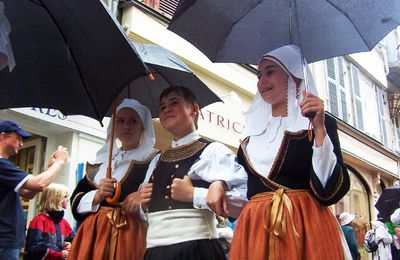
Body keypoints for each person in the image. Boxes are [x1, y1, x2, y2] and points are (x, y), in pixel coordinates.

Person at [228, 45, 350, 260]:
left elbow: (329, 192)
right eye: (258, 74)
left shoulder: (316, 124)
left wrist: (319, 129)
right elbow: (238, 195)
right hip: (256, 233)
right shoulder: (250, 138)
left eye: (270, 71)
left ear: (293, 77)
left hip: (306, 229)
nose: (262, 80)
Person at [140, 86, 247, 260]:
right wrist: (143, 205)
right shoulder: (156, 160)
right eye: (162, 106)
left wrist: (194, 195)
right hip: (155, 253)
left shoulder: (214, 151)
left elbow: (244, 202)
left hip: (197, 250)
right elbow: (146, 215)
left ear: (195, 109)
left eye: (174, 102)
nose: (166, 109)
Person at [68, 99, 157, 260]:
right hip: (92, 235)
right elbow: (75, 202)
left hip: (129, 235)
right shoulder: (102, 163)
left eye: (133, 121)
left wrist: (141, 199)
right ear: (114, 126)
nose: (126, 126)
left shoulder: (151, 162)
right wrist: (97, 195)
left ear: (143, 127)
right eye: (121, 121)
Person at [0, 120, 69, 260]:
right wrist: (59, 162)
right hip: (4, 241)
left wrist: (50, 169)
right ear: (3, 136)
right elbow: (39, 185)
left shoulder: (5, 166)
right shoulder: (1, 164)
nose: (21, 144)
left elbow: (28, 193)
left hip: (8, 241)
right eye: (18, 138)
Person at [25, 183, 74, 259]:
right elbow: (33, 248)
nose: (68, 199)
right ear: (54, 199)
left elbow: (73, 239)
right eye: (65, 196)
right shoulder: (38, 221)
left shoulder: (64, 222)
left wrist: (70, 245)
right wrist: (59, 254)